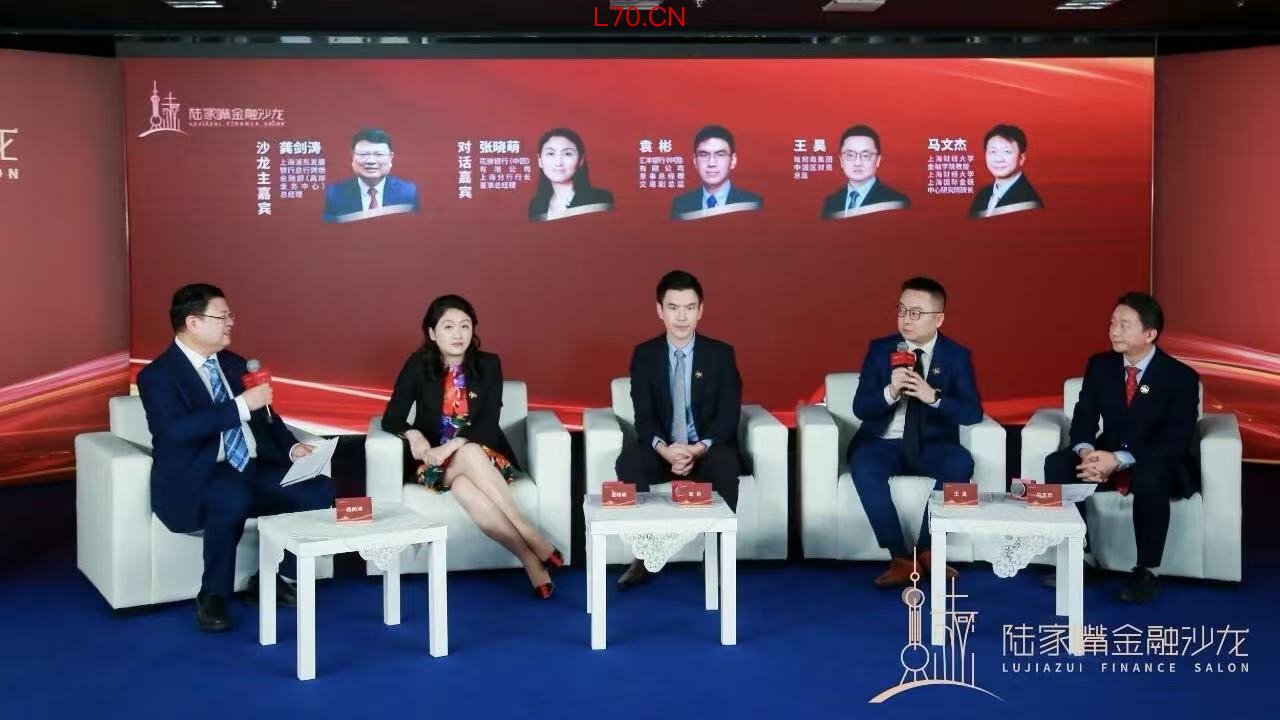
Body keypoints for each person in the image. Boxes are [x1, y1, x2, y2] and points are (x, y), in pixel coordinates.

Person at [137, 283, 335, 632]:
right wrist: (241, 405)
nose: (231, 322)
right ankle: (213, 594)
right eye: (223, 316)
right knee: (230, 493)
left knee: (318, 489)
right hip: (198, 476)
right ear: (193, 322)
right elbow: (175, 431)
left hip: (250, 469)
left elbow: (267, 419)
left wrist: (291, 448)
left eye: (230, 315)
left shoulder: (235, 364)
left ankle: (274, 578)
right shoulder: (157, 376)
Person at [381, 295, 562, 599]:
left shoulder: (488, 365)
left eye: (465, 326)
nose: (458, 334)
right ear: (432, 333)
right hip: (434, 464)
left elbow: (488, 423)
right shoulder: (417, 366)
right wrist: (414, 436)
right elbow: (391, 417)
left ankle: (530, 560)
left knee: (464, 483)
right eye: (448, 326)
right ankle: (532, 537)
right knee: (463, 458)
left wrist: (453, 444)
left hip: (485, 457)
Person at [1043, 292, 1199, 604]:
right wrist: (1087, 453)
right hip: (1106, 455)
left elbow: (1176, 439)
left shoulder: (1180, 377)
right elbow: (1084, 417)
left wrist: (1119, 459)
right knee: (1057, 464)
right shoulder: (1100, 366)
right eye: (1112, 323)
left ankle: (1146, 571)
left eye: (1124, 325)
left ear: (1149, 334)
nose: (1113, 331)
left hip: (1156, 459)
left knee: (1151, 475)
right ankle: (1082, 556)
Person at [847, 277, 983, 588]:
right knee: (864, 465)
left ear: (939, 319)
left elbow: (972, 412)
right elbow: (860, 407)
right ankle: (900, 558)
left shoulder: (956, 356)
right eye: (902, 310)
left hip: (931, 445)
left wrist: (933, 397)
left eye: (916, 313)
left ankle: (928, 550)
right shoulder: (881, 350)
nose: (906, 319)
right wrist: (890, 391)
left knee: (960, 463)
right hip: (882, 442)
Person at [613, 270, 743, 589]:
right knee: (630, 461)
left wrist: (697, 449)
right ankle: (645, 556)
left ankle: (715, 555)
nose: (682, 316)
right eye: (673, 308)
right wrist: (665, 450)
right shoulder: (645, 355)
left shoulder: (721, 355)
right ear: (660, 310)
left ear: (701, 310)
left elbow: (728, 416)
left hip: (706, 448)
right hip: (663, 449)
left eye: (689, 307)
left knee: (726, 462)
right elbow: (643, 417)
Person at [323, 128, 420, 222]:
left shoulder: (408, 193)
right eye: (363, 154)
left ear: (390, 157)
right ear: (353, 156)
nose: (371, 161)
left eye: (379, 154)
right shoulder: (335, 194)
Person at [670, 125, 763, 220]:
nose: (711, 163)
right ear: (695, 161)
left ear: (733, 161)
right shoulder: (680, 205)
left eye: (720, 155)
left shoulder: (753, 204)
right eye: (704, 155)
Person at [821, 124, 910, 219]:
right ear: (841, 160)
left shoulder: (897, 202)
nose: (858, 163)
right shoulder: (831, 203)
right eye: (850, 155)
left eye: (866, 155)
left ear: (878, 160)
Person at [527, 127, 614, 221]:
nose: (558, 163)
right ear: (540, 161)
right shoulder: (536, 206)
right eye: (551, 153)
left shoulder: (600, 199)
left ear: (581, 160)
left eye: (567, 154)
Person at [969, 124, 1043, 218]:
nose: (998, 159)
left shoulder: (1030, 202)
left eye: (1007, 151)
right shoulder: (982, 195)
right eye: (993, 151)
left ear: (1021, 158)